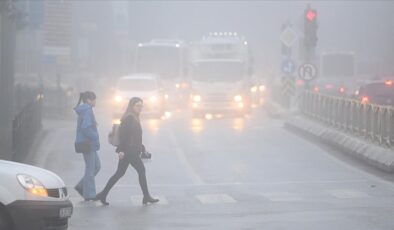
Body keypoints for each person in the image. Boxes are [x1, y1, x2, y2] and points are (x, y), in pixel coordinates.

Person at [95, 97, 159, 205]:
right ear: (132, 106)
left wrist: (142, 147)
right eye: (138, 106)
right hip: (129, 151)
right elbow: (124, 136)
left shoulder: (134, 117)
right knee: (137, 171)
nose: (140, 108)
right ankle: (146, 196)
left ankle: (103, 194)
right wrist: (121, 151)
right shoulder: (129, 118)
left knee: (121, 173)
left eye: (141, 106)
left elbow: (135, 136)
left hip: (132, 151)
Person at [74, 91, 101, 201]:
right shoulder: (87, 110)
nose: (95, 101)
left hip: (89, 144)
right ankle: (90, 194)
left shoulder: (86, 109)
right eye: (94, 99)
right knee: (90, 169)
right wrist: (95, 136)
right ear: (89, 100)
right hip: (88, 143)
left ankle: (82, 186)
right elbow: (86, 127)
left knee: (96, 166)